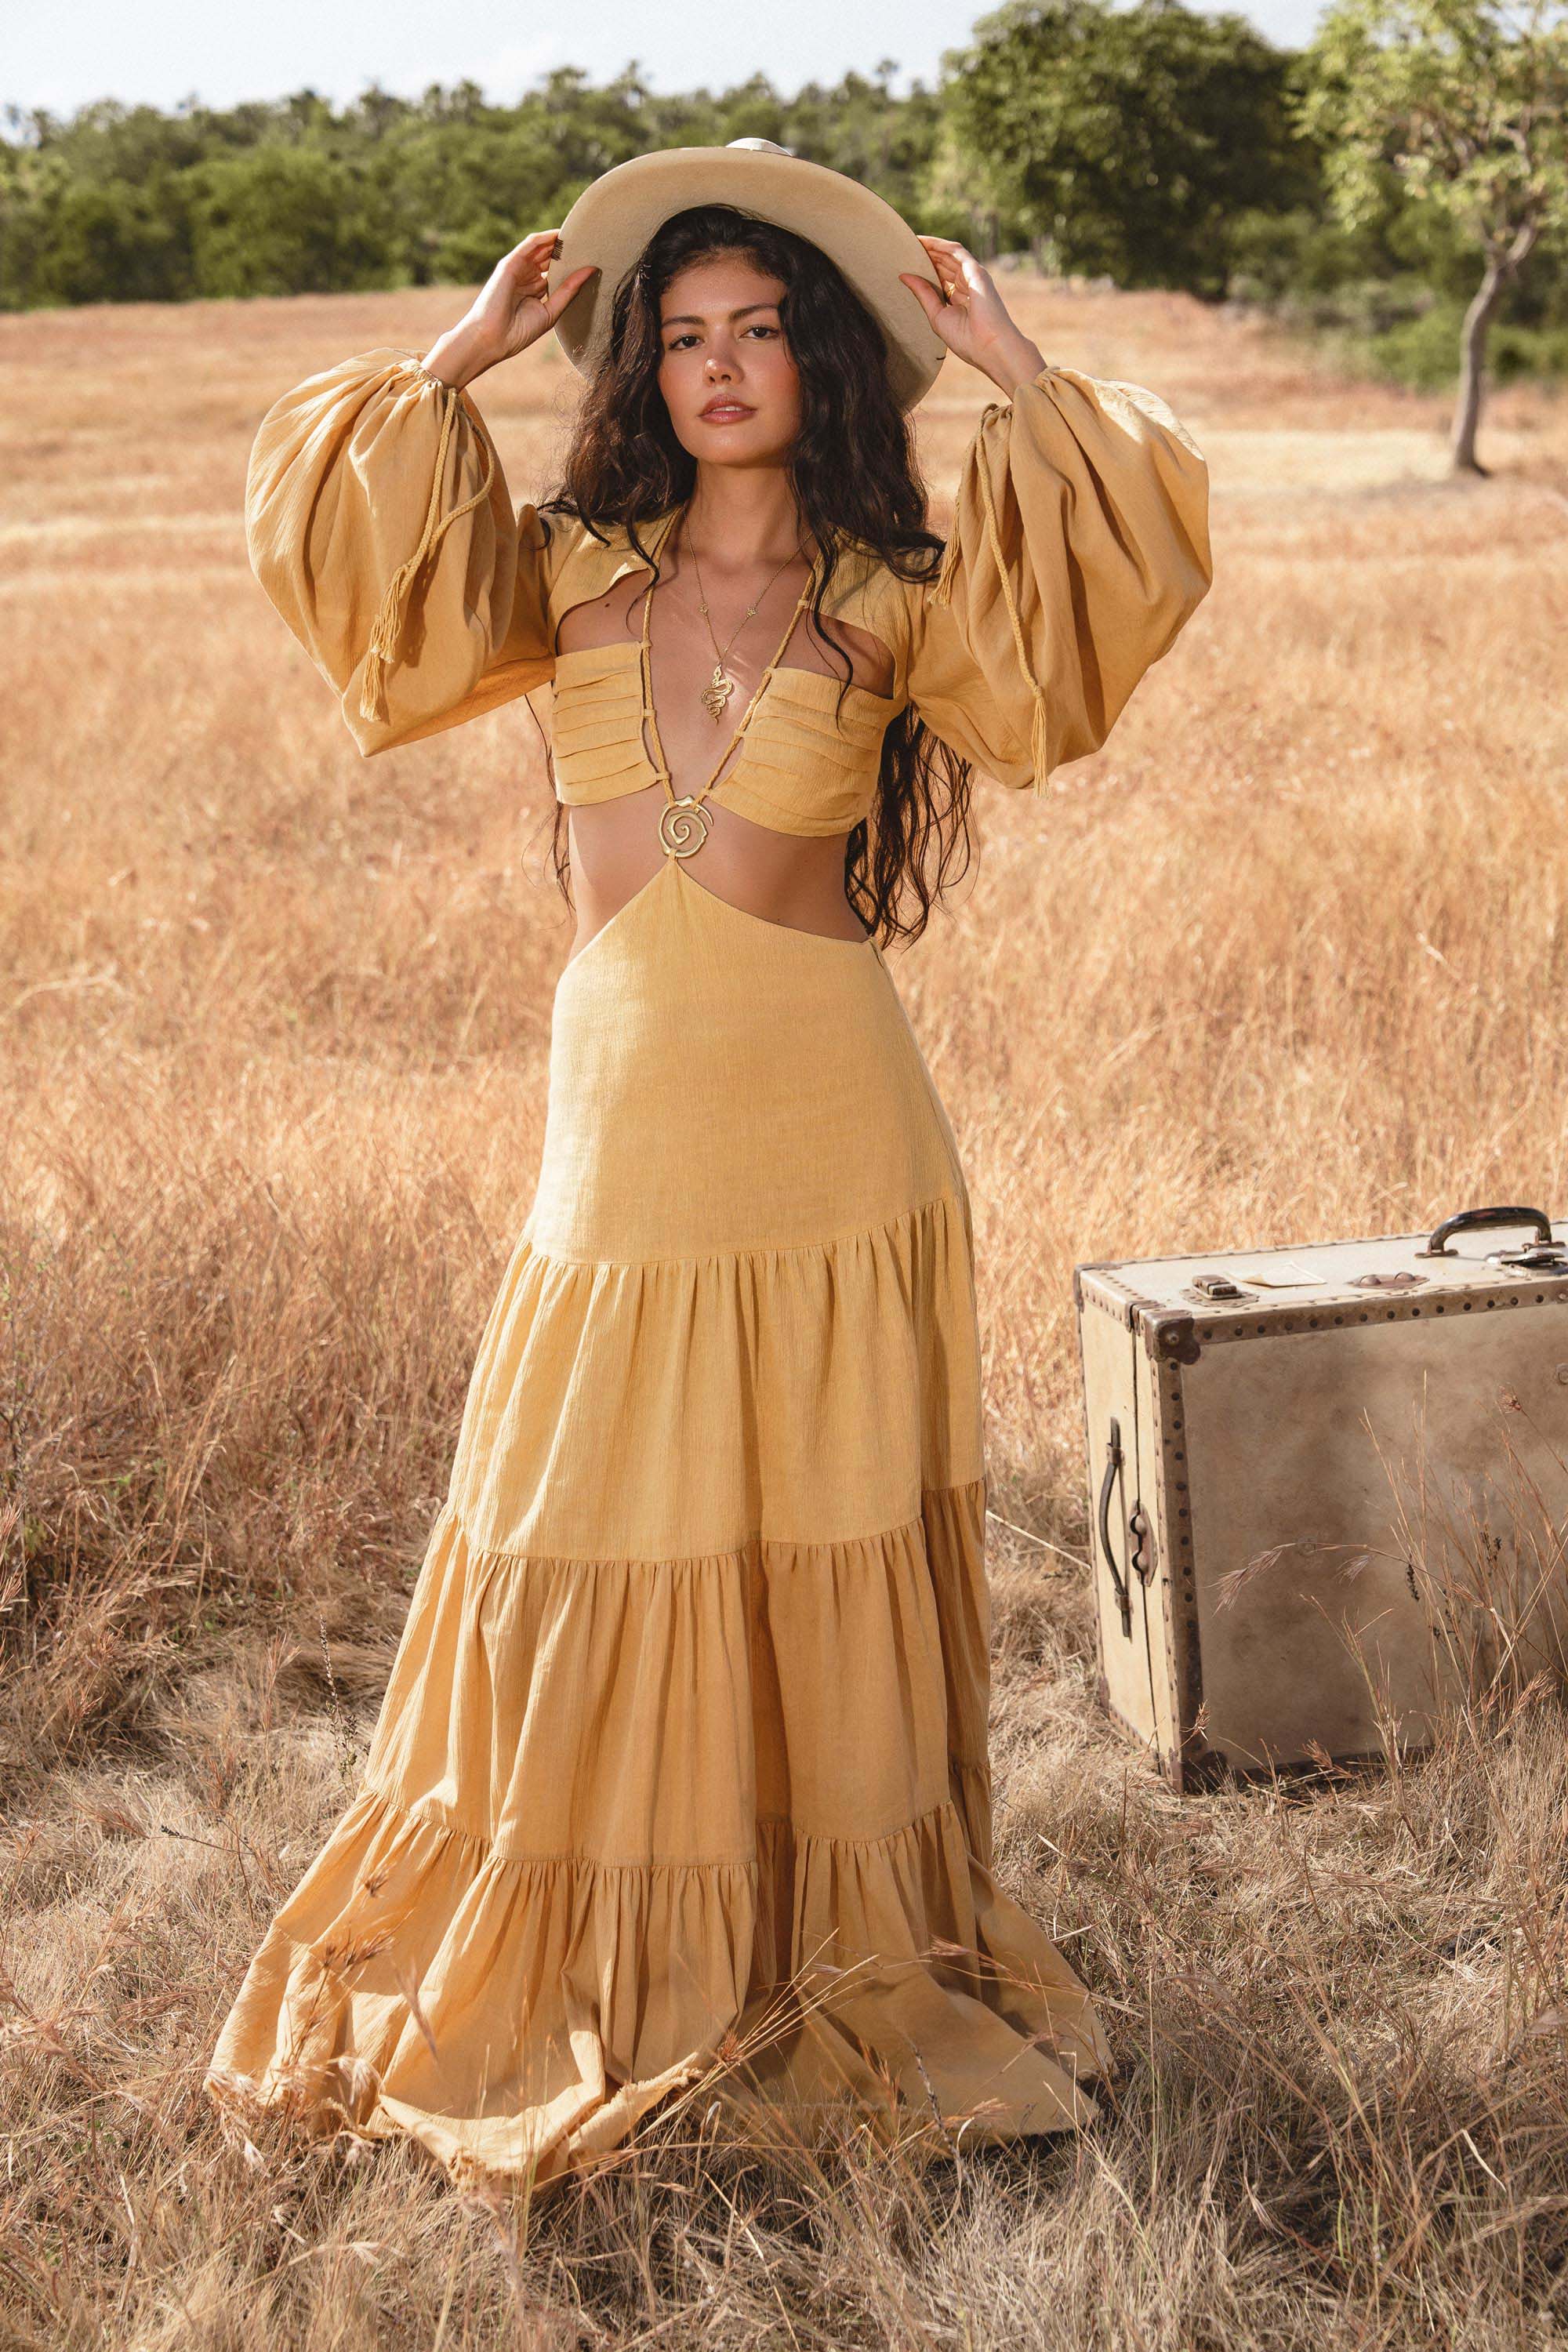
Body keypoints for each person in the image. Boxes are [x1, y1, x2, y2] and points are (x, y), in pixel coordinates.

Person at [205, 139, 1212, 2194]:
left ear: (817, 362)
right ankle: (595, 1953)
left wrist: (1012, 360)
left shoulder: (892, 594)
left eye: (758, 331)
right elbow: (339, 560)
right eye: (679, 338)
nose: (720, 365)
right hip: (625, 1136)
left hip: (836, 1135)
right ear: (640, 374)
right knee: (584, 1521)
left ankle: (818, 1951)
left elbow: (1117, 580)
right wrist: (465, 350)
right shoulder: (569, 571)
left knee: (811, 1531)